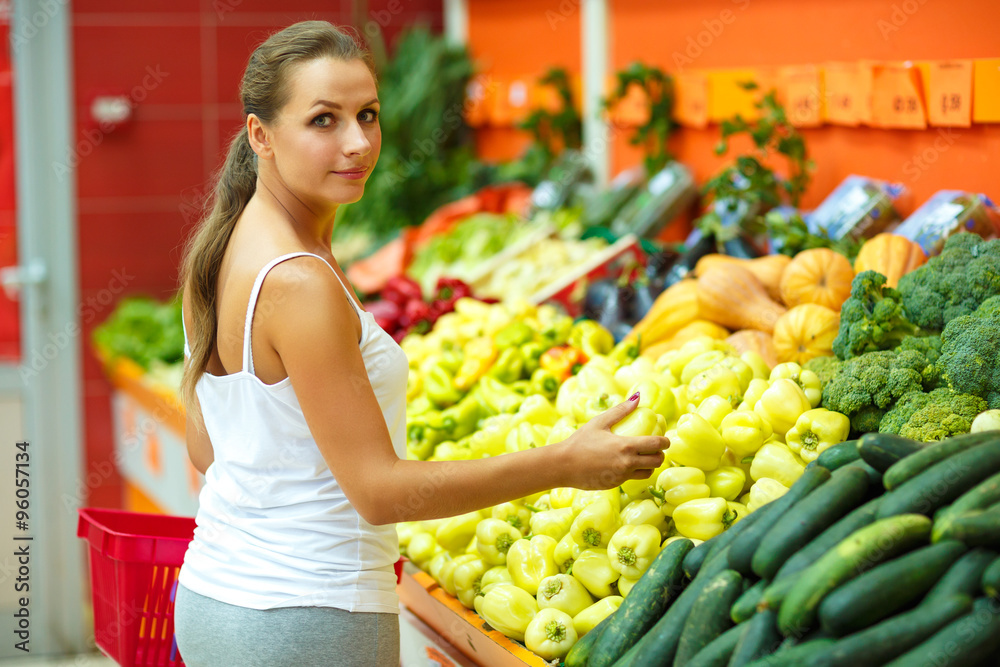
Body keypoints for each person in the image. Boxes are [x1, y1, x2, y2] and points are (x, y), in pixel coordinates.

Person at [172, 20, 668, 667]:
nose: (357, 142)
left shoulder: (221, 249)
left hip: (216, 597)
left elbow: (209, 448)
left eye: (367, 115)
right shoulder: (299, 281)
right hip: (306, 619)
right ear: (260, 135)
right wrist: (565, 463)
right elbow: (379, 491)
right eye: (324, 120)